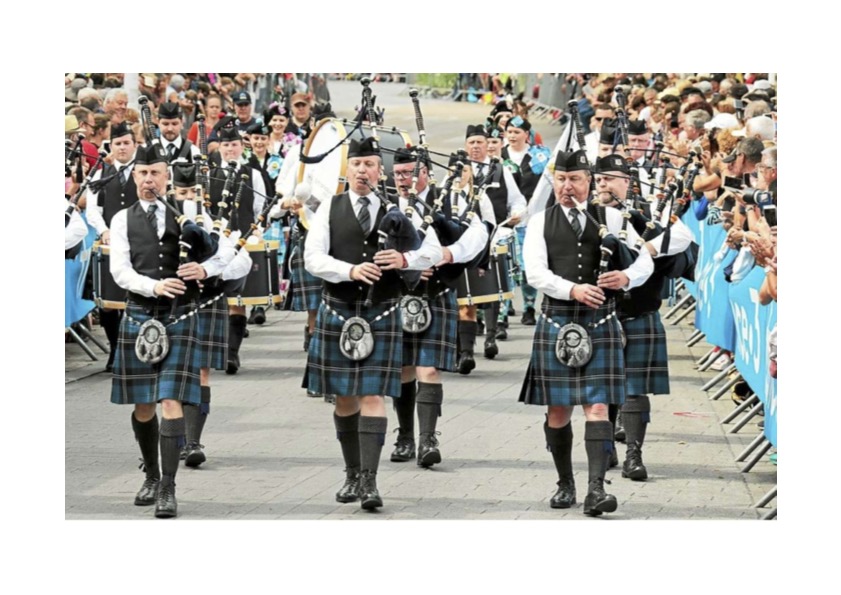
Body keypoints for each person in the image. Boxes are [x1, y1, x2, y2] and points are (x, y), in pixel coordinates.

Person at [303, 137, 442, 510]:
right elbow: (312, 259)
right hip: (339, 311)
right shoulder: (329, 210)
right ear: (347, 170)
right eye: (357, 165)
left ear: (380, 171)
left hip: (381, 311)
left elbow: (430, 250)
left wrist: (403, 258)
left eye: (370, 165)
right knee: (345, 400)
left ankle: (369, 481)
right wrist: (349, 269)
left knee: (373, 395)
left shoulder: (399, 210)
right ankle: (351, 473)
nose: (363, 171)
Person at [519, 149, 652, 516]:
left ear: (589, 182)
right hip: (557, 321)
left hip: (600, 322)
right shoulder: (539, 222)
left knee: (597, 406)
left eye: (574, 179)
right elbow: (534, 273)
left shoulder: (611, 216)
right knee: (558, 409)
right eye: (561, 179)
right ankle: (565, 482)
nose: (567, 186)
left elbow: (645, 259)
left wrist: (627, 277)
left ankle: (596, 488)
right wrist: (572, 289)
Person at [108, 145, 225, 518]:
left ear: (166, 177)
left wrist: (205, 269)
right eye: (142, 173)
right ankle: (153, 474)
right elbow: (120, 271)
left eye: (155, 173)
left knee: (171, 400)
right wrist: (153, 286)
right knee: (144, 407)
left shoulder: (189, 213)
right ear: (134, 176)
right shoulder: (121, 220)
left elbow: (227, 255)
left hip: (179, 317)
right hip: (141, 314)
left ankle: (169, 488)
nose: (148, 180)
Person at [593, 154, 693, 480]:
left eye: (610, 178)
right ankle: (605, 447)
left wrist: (648, 248)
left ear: (627, 181)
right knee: (601, 387)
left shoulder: (648, 213)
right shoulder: (587, 214)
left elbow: (683, 238)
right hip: (599, 312)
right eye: (599, 179)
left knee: (635, 387)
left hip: (640, 310)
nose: (603, 184)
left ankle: (633, 455)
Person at [390, 147, 488, 468]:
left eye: (410, 173)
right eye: (398, 174)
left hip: (437, 292)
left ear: (427, 173)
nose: (404, 180)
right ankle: (405, 436)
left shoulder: (451, 200)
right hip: (398, 295)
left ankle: (427, 439)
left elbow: (478, 236)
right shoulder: (389, 206)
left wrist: (447, 254)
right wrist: (409, 267)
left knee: (428, 368)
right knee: (403, 368)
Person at [170, 163, 251, 468]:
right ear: (172, 192)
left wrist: (210, 269)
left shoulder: (218, 224)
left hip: (208, 300)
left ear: (202, 193)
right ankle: (172, 438)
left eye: (192, 192)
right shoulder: (165, 224)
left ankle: (192, 441)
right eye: (181, 192)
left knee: (201, 371)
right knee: (172, 373)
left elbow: (241, 262)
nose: (188, 198)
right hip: (173, 303)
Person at [463, 124, 526, 365]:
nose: (476, 147)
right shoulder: (457, 169)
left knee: (492, 289)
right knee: (466, 294)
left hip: (494, 236)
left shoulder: (500, 169)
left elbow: (517, 199)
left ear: (487, 146)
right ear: (466, 145)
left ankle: (490, 338)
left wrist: (518, 214)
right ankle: (466, 348)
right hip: (466, 239)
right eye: (472, 143)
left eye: (480, 142)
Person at [208, 126, 267, 373]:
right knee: (214, 298)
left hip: (242, 241)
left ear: (242, 147)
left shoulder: (252, 174)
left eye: (234, 145)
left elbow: (260, 207)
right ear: (219, 148)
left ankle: (232, 354)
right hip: (215, 243)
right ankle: (218, 349)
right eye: (226, 145)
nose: (230, 149)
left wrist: (255, 231)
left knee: (239, 300)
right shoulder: (209, 174)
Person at [86, 122, 138, 371]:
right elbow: (92, 210)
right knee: (108, 302)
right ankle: (115, 349)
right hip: (112, 245)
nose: (122, 147)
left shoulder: (143, 171)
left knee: (136, 298)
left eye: (126, 142)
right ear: (111, 146)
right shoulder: (101, 173)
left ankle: (133, 350)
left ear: (134, 145)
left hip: (140, 245)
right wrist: (104, 230)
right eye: (118, 143)